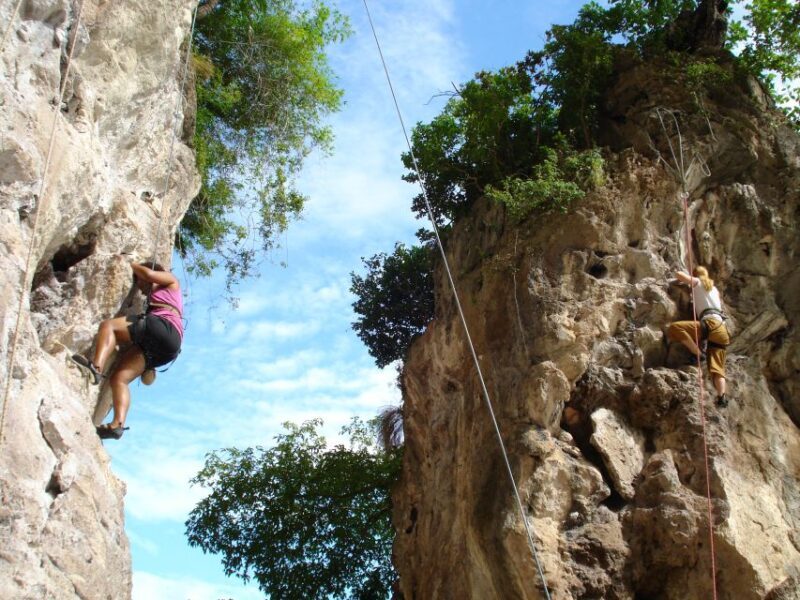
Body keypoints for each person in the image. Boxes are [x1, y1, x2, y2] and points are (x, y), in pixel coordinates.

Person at [71, 258, 183, 439]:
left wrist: (130, 263)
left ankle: (95, 368)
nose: (140, 287)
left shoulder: (171, 280)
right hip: (167, 348)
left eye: (139, 282)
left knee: (109, 326)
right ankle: (118, 425)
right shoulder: (163, 299)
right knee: (119, 379)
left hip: (163, 326)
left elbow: (149, 274)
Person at [667, 266, 730, 407]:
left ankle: (697, 353)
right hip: (722, 329)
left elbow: (679, 274)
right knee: (717, 368)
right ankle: (722, 398)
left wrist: (687, 279)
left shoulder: (697, 282)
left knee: (675, 328)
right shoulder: (715, 290)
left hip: (709, 323)